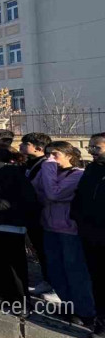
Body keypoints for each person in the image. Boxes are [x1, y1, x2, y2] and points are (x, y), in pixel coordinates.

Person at [33, 141, 96, 326]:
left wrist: (48, 167)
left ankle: (85, 311)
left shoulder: (77, 175)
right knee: (56, 271)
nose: (50, 159)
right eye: (48, 155)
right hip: (49, 227)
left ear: (69, 156)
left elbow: (53, 194)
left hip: (69, 231)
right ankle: (69, 305)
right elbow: (36, 191)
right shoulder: (49, 171)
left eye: (55, 154)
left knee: (75, 272)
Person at [0, 146, 36, 305]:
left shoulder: (14, 173)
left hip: (10, 224)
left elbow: (24, 199)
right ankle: (0, 294)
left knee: (14, 265)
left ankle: (21, 300)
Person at [72, 133, 105, 336]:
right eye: (90, 148)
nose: (91, 152)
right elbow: (80, 195)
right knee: (97, 279)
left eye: (97, 148)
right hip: (90, 234)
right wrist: (77, 217)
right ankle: (100, 322)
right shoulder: (92, 169)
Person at [19, 132, 54, 295]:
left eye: (25, 143)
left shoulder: (46, 165)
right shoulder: (29, 163)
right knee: (40, 250)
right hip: (32, 214)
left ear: (39, 148)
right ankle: (47, 279)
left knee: (46, 250)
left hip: (44, 215)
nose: (20, 146)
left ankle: (53, 282)